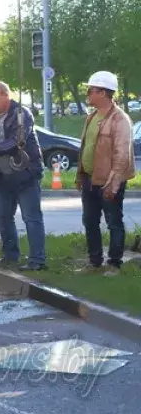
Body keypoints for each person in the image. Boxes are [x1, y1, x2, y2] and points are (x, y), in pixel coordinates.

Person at [0, 81, 47, 271]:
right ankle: (10, 256)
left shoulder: (22, 114)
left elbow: (16, 141)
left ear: (6, 96)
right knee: (3, 218)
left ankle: (37, 261)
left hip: (25, 175)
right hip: (2, 176)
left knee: (31, 218)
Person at [76, 71, 135, 275]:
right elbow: (86, 147)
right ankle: (94, 262)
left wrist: (114, 181)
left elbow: (122, 154)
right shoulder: (91, 116)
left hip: (109, 180)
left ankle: (114, 264)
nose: (87, 94)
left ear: (103, 92)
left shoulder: (120, 119)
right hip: (89, 178)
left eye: (90, 90)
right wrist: (80, 175)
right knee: (90, 220)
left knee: (113, 221)